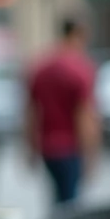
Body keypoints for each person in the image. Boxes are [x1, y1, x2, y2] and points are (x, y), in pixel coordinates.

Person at [26, 15, 100, 205]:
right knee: (70, 204)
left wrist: (29, 147)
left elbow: (31, 111)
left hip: (47, 147)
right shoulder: (80, 68)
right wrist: (91, 156)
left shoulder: (41, 66)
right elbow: (84, 117)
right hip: (70, 147)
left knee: (58, 198)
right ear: (79, 34)